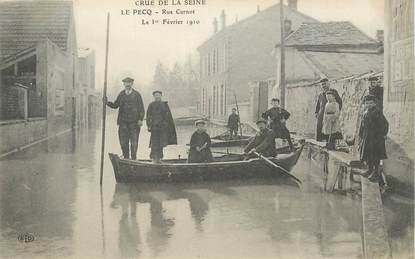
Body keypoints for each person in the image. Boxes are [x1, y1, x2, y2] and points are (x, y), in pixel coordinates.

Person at [105, 77, 145, 160]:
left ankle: (134, 159)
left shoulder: (137, 95)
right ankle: (126, 159)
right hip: (123, 124)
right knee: (123, 143)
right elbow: (115, 105)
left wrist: (140, 119)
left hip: (134, 124)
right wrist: (107, 102)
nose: (127, 84)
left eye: (129, 83)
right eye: (126, 83)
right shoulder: (121, 94)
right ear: (124, 84)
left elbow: (141, 109)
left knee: (134, 143)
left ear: (132, 84)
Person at [358, 95, 389, 182]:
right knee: (368, 154)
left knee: (375, 155)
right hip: (367, 137)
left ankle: (375, 173)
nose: (369, 104)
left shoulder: (377, 112)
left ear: (374, 103)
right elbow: (362, 125)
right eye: (367, 103)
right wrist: (361, 135)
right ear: (364, 104)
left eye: (371, 103)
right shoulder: (365, 112)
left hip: (375, 138)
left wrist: (383, 133)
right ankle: (369, 169)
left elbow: (385, 124)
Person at [146, 91, 177, 163]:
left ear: (161, 96)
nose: (157, 97)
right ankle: (154, 158)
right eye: (156, 95)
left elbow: (168, 116)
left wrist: (166, 124)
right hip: (154, 128)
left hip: (162, 128)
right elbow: (148, 116)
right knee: (154, 143)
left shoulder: (164, 105)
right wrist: (149, 125)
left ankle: (159, 158)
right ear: (154, 97)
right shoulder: (151, 105)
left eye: (158, 95)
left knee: (161, 143)